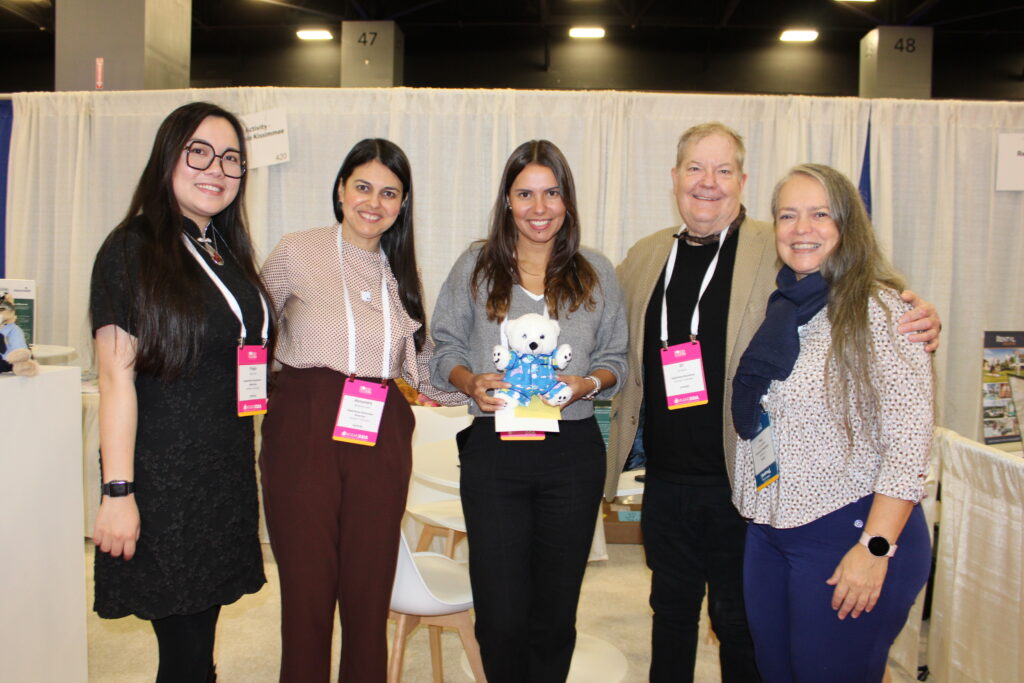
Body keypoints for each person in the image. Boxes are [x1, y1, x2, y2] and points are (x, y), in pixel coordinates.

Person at [607, 122, 941, 683]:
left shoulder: (779, 247)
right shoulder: (644, 257)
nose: (707, 183)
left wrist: (916, 311)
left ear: (742, 179)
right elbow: (597, 321)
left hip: (747, 480)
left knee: (741, 626)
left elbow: (856, 286)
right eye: (694, 168)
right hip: (674, 480)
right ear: (673, 178)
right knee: (673, 613)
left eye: (722, 170)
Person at [259, 138, 464, 683]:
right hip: (304, 423)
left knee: (370, 588)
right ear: (340, 191)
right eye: (363, 187)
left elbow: (421, 369)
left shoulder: (399, 275)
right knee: (307, 588)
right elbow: (250, 330)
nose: (374, 202)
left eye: (389, 193)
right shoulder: (296, 250)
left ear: (402, 205)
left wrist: (481, 389)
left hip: (382, 429)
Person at [430, 139, 628, 683]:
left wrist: (586, 381)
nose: (539, 208)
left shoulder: (597, 272)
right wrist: (471, 381)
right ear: (507, 202)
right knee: (499, 612)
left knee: (555, 613)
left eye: (551, 192)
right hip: (495, 452)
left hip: (572, 455)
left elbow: (616, 360)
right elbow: (442, 347)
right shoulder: (476, 265)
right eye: (525, 194)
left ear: (567, 200)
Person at [89, 101, 271, 682]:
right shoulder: (131, 249)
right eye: (199, 152)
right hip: (168, 482)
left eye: (232, 159)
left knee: (200, 645)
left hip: (222, 472)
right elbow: (117, 378)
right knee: (185, 656)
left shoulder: (222, 247)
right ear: (168, 156)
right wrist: (118, 492)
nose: (216, 168)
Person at [730, 163, 934, 682]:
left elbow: (910, 444)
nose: (802, 229)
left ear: (848, 225)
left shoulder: (885, 311)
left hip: (852, 531)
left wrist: (875, 549)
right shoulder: (785, 306)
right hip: (770, 528)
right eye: (788, 215)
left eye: (821, 214)